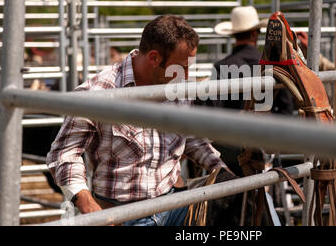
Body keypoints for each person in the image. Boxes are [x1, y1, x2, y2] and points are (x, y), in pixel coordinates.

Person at [46, 15, 227, 226]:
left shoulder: (178, 86)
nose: (186, 76)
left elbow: (189, 136)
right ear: (154, 58)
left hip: (177, 205)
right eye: (181, 67)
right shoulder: (99, 92)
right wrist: (87, 203)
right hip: (123, 215)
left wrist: (221, 171)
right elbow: (64, 153)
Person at [206, 6, 296, 176]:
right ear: (255, 33)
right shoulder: (274, 68)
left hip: (232, 154)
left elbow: (212, 113)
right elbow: (286, 111)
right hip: (268, 149)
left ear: (233, 34)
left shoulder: (222, 67)